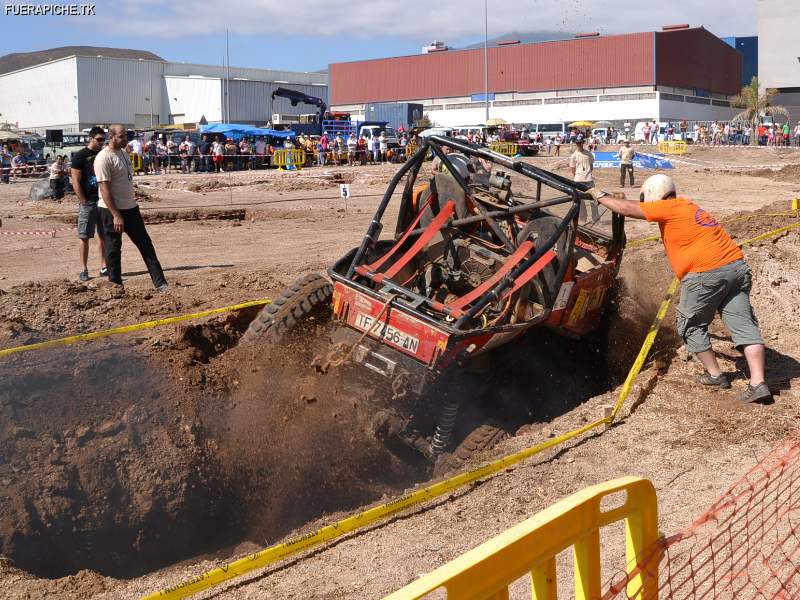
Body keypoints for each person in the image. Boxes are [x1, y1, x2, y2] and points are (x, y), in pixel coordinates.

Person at [589, 174, 770, 403]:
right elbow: (635, 206)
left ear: (655, 195)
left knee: (690, 325)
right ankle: (758, 383)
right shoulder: (686, 206)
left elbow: (627, 209)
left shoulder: (669, 207)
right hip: (736, 268)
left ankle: (715, 375)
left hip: (705, 274)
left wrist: (600, 196)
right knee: (744, 324)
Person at [95, 124, 168, 292]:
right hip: (110, 210)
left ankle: (160, 283)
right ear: (111, 137)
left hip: (131, 208)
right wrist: (116, 215)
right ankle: (116, 287)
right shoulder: (103, 158)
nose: (125, 139)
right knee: (113, 249)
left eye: (126, 136)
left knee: (145, 245)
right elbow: (104, 188)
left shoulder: (123, 152)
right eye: (122, 136)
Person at [70, 126, 107, 282]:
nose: (101, 142)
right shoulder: (80, 156)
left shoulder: (103, 154)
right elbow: (76, 181)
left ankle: (104, 266)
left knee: (103, 235)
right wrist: (83, 201)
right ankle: (84, 269)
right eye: (99, 140)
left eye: (103, 140)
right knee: (84, 236)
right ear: (91, 138)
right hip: (89, 201)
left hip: (103, 200)